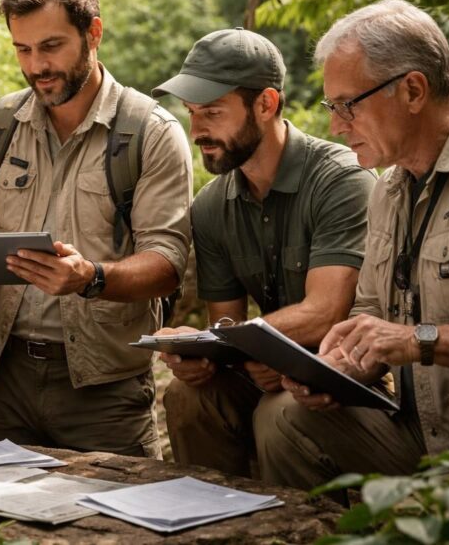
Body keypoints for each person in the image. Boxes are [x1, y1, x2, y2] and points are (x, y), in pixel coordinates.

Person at [255, 0, 449, 490]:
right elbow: (371, 314)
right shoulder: (388, 189)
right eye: (332, 107)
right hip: (419, 436)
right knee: (283, 419)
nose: (335, 125)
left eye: (348, 104)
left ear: (413, 89)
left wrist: (418, 341)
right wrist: (340, 371)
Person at [0, 0, 193, 458]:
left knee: (115, 530)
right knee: (4, 528)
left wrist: (90, 277)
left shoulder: (152, 132)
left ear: (93, 33)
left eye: (51, 46)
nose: (36, 66)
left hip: (105, 388)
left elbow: (167, 263)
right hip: (3, 376)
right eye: (23, 49)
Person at [149, 28, 375, 476]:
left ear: (266, 104)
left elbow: (327, 312)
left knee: (281, 409)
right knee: (187, 395)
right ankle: (210, 520)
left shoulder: (341, 181)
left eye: (212, 112)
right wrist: (202, 354)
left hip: (346, 373)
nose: (197, 131)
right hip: (269, 368)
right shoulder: (211, 206)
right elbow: (226, 324)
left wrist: (243, 344)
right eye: (192, 114)